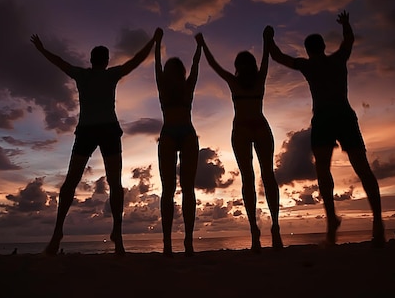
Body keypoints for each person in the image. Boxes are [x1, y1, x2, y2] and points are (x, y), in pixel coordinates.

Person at [30, 30, 160, 256]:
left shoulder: (83, 75)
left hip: (92, 131)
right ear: (106, 60)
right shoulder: (107, 75)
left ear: (91, 60)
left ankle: (63, 234)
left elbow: (59, 62)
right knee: (111, 183)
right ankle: (114, 236)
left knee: (74, 182)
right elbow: (136, 61)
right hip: (103, 129)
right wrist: (153, 41)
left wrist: (42, 49)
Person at [265, 10, 385, 247]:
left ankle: (332, 222)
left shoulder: (307, 66)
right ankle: (377, 223)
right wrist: (346, 24)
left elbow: (278, 57)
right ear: (322, 46)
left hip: (324, 119)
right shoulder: (337, 59)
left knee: (323, 171)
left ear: (308, 50)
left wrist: (268, 39)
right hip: (343, 115)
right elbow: (348, 42)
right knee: (362, 168)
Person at [195, 32, 283, 252]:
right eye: (241, 65)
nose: (243, 68)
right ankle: (255, 230)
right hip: (243, 130)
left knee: (267, 176)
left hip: (259, 128)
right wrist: (203, 45)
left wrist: (266, 39)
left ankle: (275, 227)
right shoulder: (235, 80)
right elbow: (214, 65)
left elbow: (265, 59)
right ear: (239, 67)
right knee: (249, 179)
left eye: (245, 64)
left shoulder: (257, 77)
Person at [154, 29, 201, 257]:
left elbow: (196, 67)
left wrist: (199, 47)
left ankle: (188, 241)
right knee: (168, 190)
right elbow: (156, 65)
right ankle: (167, 243)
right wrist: (157, 43)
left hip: (186, 133)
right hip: (169, 134)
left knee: (187, 190)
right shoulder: (164, 86)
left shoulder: (186, 86)